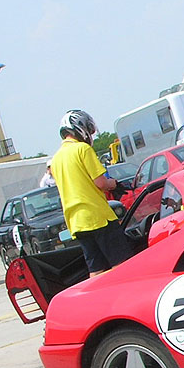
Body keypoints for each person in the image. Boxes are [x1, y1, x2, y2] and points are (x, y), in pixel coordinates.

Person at [51, 110, 133, 277]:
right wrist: (113, 184)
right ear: (80, 128)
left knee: (96, 269)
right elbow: (101, 183)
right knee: (122, 264)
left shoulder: (56, 159)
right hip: (97, 216)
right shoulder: (82, 149)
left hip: (76, 221)